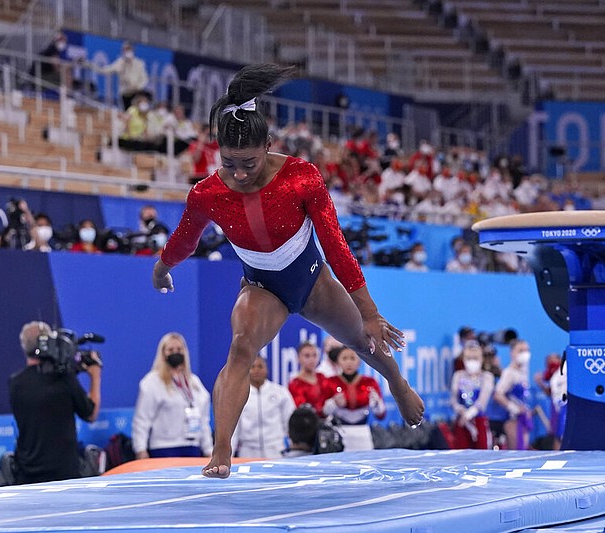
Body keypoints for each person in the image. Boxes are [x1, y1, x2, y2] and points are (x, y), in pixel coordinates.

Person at [151, 64, 424, 478]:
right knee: (241, 349)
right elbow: (186, 237)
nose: (239, 174)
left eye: (249, 163)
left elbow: (335, 244)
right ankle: (221, 451)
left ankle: (398, 384)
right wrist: (162, 266)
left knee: (366, 344)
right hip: (262, 286)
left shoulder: (301, 178)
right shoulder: (207, 192)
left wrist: (368, 310)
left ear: (268, 146)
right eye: (229, 163)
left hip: (312, 278)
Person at [8, 321, 102, 484]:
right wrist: (95, 377)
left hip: (26, 474)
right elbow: (90, 414)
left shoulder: (15, 383)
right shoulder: (63, 380)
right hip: (63, 475)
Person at [132, 332, 213, 459]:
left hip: (192, 447)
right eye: (170, 350)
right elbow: (142, 420)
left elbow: (203, 420)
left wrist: (209, 450)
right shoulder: (152, 382)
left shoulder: (194, 382)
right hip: (164, 449)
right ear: (163, 353)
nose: (175, 352)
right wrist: (140, 449)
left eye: (179, 349)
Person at [322, 346, 386, 451]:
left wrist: (377, 404)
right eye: (344, 358)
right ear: (338, 361)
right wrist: (333, 403)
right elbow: (322, 413)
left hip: (363, 434)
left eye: (352, 358)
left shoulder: (370, 382)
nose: (349, 362)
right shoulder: (330, 382)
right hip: (339, 433)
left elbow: (381, 415)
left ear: (359, 361)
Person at [231, 356, 295, 458]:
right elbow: (233, 429)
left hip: (276, 449)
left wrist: (293, 448)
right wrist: (228, 455)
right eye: (252, 367)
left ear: (266, 369)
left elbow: (290, 422)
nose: (256, 370)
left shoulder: (280, 392)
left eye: (260, 366)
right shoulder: (238, 395)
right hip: (248, 451)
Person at [450, 340, 494, 449]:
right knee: (460, 454)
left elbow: (482, 401)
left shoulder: (487, 377)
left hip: (479, 421)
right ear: (464, 359)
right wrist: (460, 410)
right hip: (461, 422)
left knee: (482, 453)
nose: (472, 362)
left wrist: (469, 414)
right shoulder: (458, 376)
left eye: (475, 359)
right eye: (469, 359)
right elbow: (453, 400)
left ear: (481, 359)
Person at [492, 339, 533, 450]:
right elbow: (497, 394)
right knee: (516, 453)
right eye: (520, 350)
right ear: (512, 353)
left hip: (523, 419)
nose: (524, 353)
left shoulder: (523, 371)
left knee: (524, 451)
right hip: (513, 421)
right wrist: (513, 408)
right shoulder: (509, 373)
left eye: (526, 350)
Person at [92, 41, 150, 110]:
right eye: (126, 49)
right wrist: (90, 65)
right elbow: (105, 70)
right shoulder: (120, 62)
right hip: (125, 93)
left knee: (138, 111)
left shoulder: (139, 63)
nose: (128, 51)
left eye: (129, 49)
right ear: (123, 51)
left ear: (133, 50)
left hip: (137, 92)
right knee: (127, 112)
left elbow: (145, 78)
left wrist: (139, 86)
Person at [288, 341, 330, 416]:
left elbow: (332, 395)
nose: (311, 359)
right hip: (307, 423)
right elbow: (302, 408)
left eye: (314, 355)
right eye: (307, 356)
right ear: (298, 358)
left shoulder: (322, 377)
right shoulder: (295, 384)